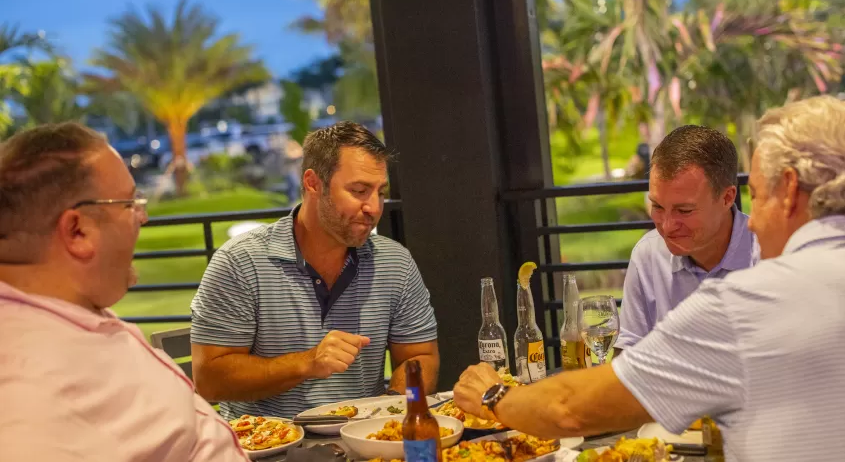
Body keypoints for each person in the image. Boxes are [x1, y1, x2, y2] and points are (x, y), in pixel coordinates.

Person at [453, 95, 845, 461]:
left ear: (789, 189)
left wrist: (495, 395)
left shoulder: (744, 302)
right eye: (657, 207)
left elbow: (569, 410)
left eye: (756, 195)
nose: (753, 221)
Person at [0, 123, 247, 461]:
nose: (142, 217)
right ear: (78, 231)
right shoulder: (28, 396)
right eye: (130, 203)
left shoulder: (73, 309)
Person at [191, 121, 440, 420]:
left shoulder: (394, 261)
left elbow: (420, 357)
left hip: (365, 438)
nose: (374, 208)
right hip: (269, 441)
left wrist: (392, 410)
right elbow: (209, 380)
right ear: (313, 183)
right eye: (359, 190)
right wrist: (307, 362)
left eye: (380, 193)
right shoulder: (240, 262)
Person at [617, 125, 758, 352]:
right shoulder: (648, 255)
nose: (667, 226)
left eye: (684, 211)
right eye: (657, 206)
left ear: (727, 198)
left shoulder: (770, 255)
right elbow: (627, 351)